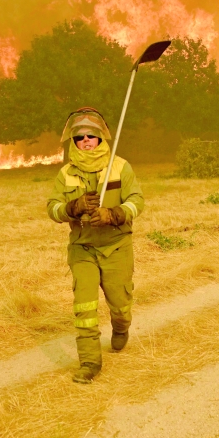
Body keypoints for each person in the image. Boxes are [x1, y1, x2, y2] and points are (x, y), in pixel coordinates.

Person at [46, 107, 145, 383]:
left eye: (91, 135)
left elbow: (138, 201)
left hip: (116, 246)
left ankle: (121, 326)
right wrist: (72, 207)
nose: (86, 140)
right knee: (85, 308)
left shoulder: (120, 166)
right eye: (79, 138)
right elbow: (51, 208)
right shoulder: (65, 173)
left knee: (120, 304)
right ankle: (90, 362)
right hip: (83, 249)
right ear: (73, 143)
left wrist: (114, 214)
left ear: (101, 137)